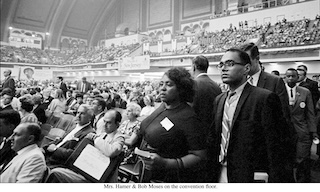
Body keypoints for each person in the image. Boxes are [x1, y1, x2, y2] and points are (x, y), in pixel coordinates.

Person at [210, 48, 290, 183]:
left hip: (249, 174)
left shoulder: (264, 98)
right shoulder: (219, 100)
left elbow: (276, 145)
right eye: (221, 65)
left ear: (246, 68)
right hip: (221, 171)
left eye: (230, 64)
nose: (224, 69)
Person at [138, 67, 207, 182]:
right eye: (161, 84)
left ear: (181, 88)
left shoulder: (188, 117)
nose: (162, 89)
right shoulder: (162, 106)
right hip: (147, 172)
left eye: (169, 84)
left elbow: (199, 156)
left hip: (168, 178)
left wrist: (166, 163)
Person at [240, 43, 296, 182]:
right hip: (244, 151)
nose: (243, 65)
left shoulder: (274, 82)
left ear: (257, 58)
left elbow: (283, 119)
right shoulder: (239, 82)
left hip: (267, 151)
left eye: (247, 60)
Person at [45, 110, 125, 183]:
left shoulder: (119, 138)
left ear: (117, 124)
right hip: (87, 171)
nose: (104, 125)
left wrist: (95, 138)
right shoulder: (103, 134)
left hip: (99, 179)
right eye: (104, 121)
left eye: (109, 123)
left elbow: (112, 151)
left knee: (56, 173)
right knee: (56, 172)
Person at [189, 55, 222, 182]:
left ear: (194, 67)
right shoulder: (216, 86)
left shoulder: (193, 85)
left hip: (195, 139)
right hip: (213, 137)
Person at [285, 68, 318, 182]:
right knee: (287, 159)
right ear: (285, 77)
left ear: (297, 78)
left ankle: (302, 182)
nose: (290, 78)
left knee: (302, 159)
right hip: (285, 131)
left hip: (301, 130)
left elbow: (310, 113)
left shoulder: (305, 91)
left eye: (293, 76)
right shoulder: (279, 91)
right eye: (288, 76)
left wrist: (313, 131)